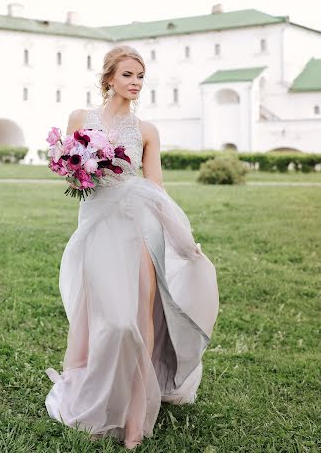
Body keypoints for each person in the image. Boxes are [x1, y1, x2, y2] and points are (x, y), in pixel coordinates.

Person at [45, 45, 219, 449]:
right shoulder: (79, 119)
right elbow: (71, 179)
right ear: (108, 78)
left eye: (140, 77)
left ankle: (135, 421)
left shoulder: (147, 131)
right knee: (112, 321)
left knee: (140, 320)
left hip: (140, 226)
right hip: (98, 226)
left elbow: (156, 187)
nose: (135, 84)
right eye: (128, 75)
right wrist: (76, 170)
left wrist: (181, 234)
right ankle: (97, 392)